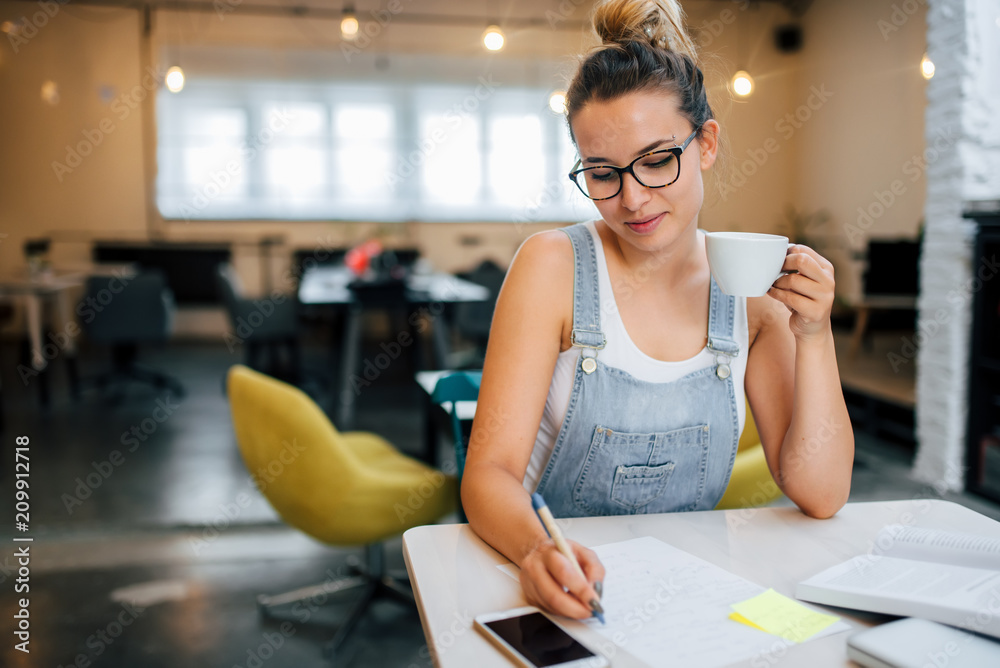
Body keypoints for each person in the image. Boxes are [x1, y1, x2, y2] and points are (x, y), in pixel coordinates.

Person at [461, 0, 854, 621]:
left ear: (708, 144)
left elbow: (822, 493)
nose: (633, 198)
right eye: (602, 173)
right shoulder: (552, 267)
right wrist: (540, 551)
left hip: (688, 598)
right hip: (557, 585)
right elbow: (488, 476)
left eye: (656, 160)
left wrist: (814, 334)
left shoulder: (750, 292)